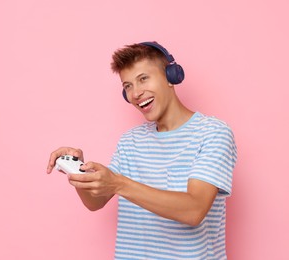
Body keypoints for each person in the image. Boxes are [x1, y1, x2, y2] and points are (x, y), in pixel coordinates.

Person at [47, 41, 237, 259]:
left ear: (171, 76)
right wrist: (78, 172)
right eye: (127, 86)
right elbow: (95, 202)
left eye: (143, 79)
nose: (136, 93)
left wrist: (119, 183)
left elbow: (194, 210)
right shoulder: (130, 141)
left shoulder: (213, 133)